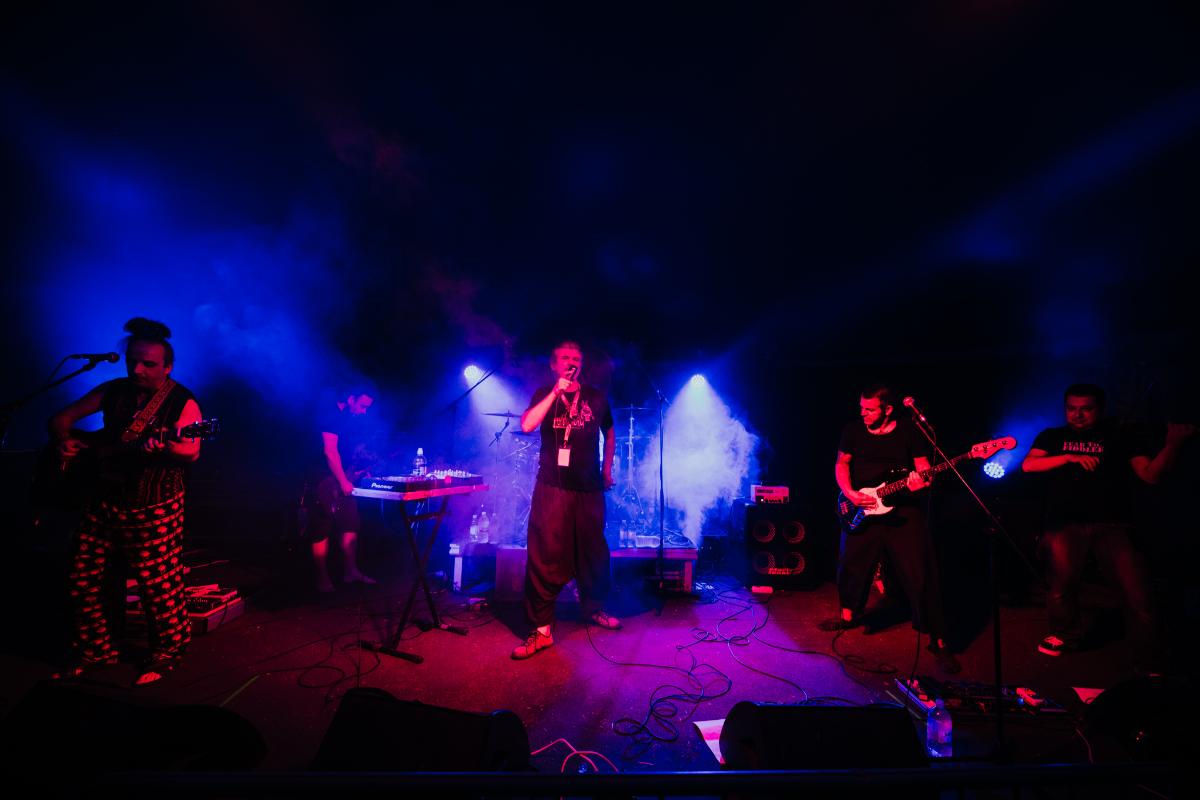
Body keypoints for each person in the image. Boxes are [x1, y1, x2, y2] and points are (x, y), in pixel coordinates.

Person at [48, 317, 202, 685]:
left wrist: (166, 447)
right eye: (133, 361)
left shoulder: (183, 402)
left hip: (154, 503)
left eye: (149, 363)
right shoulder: (113, 390)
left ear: (167, 366)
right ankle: (95, 649)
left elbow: (192, 450)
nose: (138, 369)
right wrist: (64, 442)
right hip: (104, 498)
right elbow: (61, 418)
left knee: (157, 583)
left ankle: (167, 651)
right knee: (82, 575)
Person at [1021, 384, 1193, 667]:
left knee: (1136, 588)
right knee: (1061, 585)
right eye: (1071, 408)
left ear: (1099, 409)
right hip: (1066, 522)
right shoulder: (1053, 436)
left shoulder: (1120, 436)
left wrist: (1172, 445)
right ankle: (1064, 635)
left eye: (1086, 409)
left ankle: (1149, 654)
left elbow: (1150, 475)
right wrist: (1069, 457)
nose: (1077, 415)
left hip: (1113, 523)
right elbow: (1029, 465)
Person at [823, 384, 961, 673]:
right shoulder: (853, 430)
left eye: (870, 409)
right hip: (861, 505)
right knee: (851, 564)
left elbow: (924, 469)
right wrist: (849, 493)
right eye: (861, 408)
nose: (863, 413)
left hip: (902, 507)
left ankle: (937, 638)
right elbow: (842, 464)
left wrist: (922, 481)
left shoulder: (910, 431)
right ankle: (848, 615)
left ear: (887, 409)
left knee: (922, 571)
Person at [512, 341, 618, 659]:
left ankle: (594, 608)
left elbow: (610, 431)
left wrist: (607, 468)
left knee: (593, 552)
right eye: (566, 358)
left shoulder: (596, 397)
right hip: (553, 487)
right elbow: (527, 425)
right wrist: (556, 392)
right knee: (545, 553)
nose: (572, 362)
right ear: (554, 364)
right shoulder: (544, 393)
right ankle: (542, 629)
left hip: (588, 488)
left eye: (577, 358)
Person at [304, 386, 379, 593]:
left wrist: (356, 472)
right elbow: (330, 451)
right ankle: (322, 577)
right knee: (321, 529)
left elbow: (346, 451)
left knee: (350, 524)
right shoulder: (329, 414)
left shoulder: (346, 419)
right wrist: (343, 480)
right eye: (362, 406)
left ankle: (351, 572)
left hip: (341, 478)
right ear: (351, 399)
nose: (364, 411)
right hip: (323, 480)